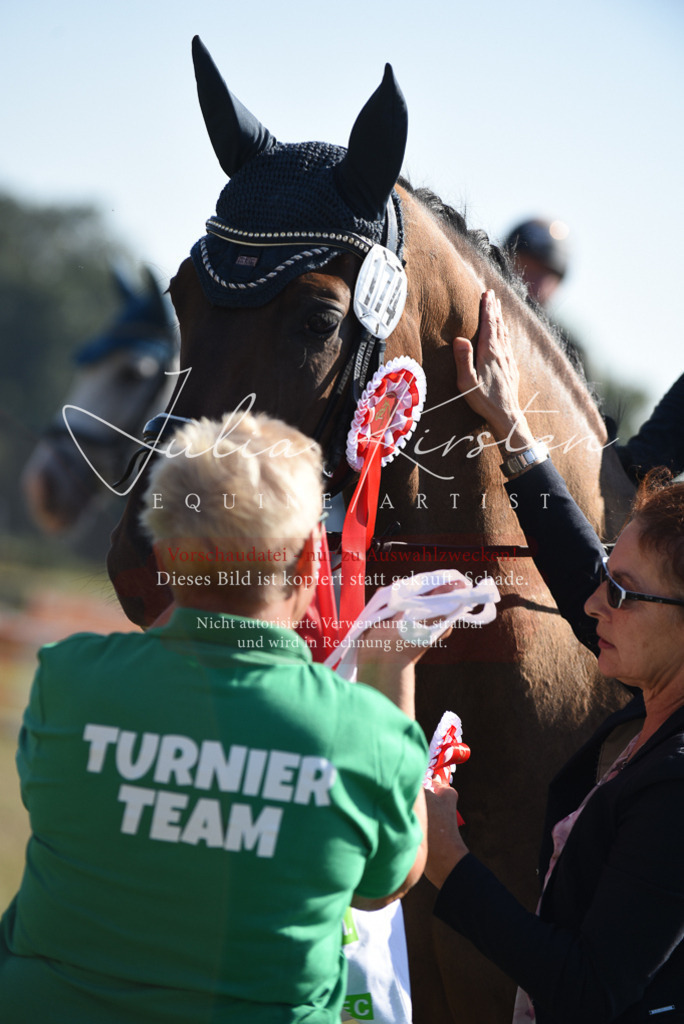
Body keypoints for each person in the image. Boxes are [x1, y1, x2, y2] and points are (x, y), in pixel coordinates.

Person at [0, 410, 436, 1024]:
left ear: (164, 551)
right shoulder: (367, 732)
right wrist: (393, 673)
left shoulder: (66, 679)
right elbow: (387, 880)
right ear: (314, 554)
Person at [425, 290, 684, 1023]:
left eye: (624, 595)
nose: (594, 605)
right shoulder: (662, 687)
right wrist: (511, 424)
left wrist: (451, 867)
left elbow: (588, 992)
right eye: (609, 581)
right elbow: (581, 576)